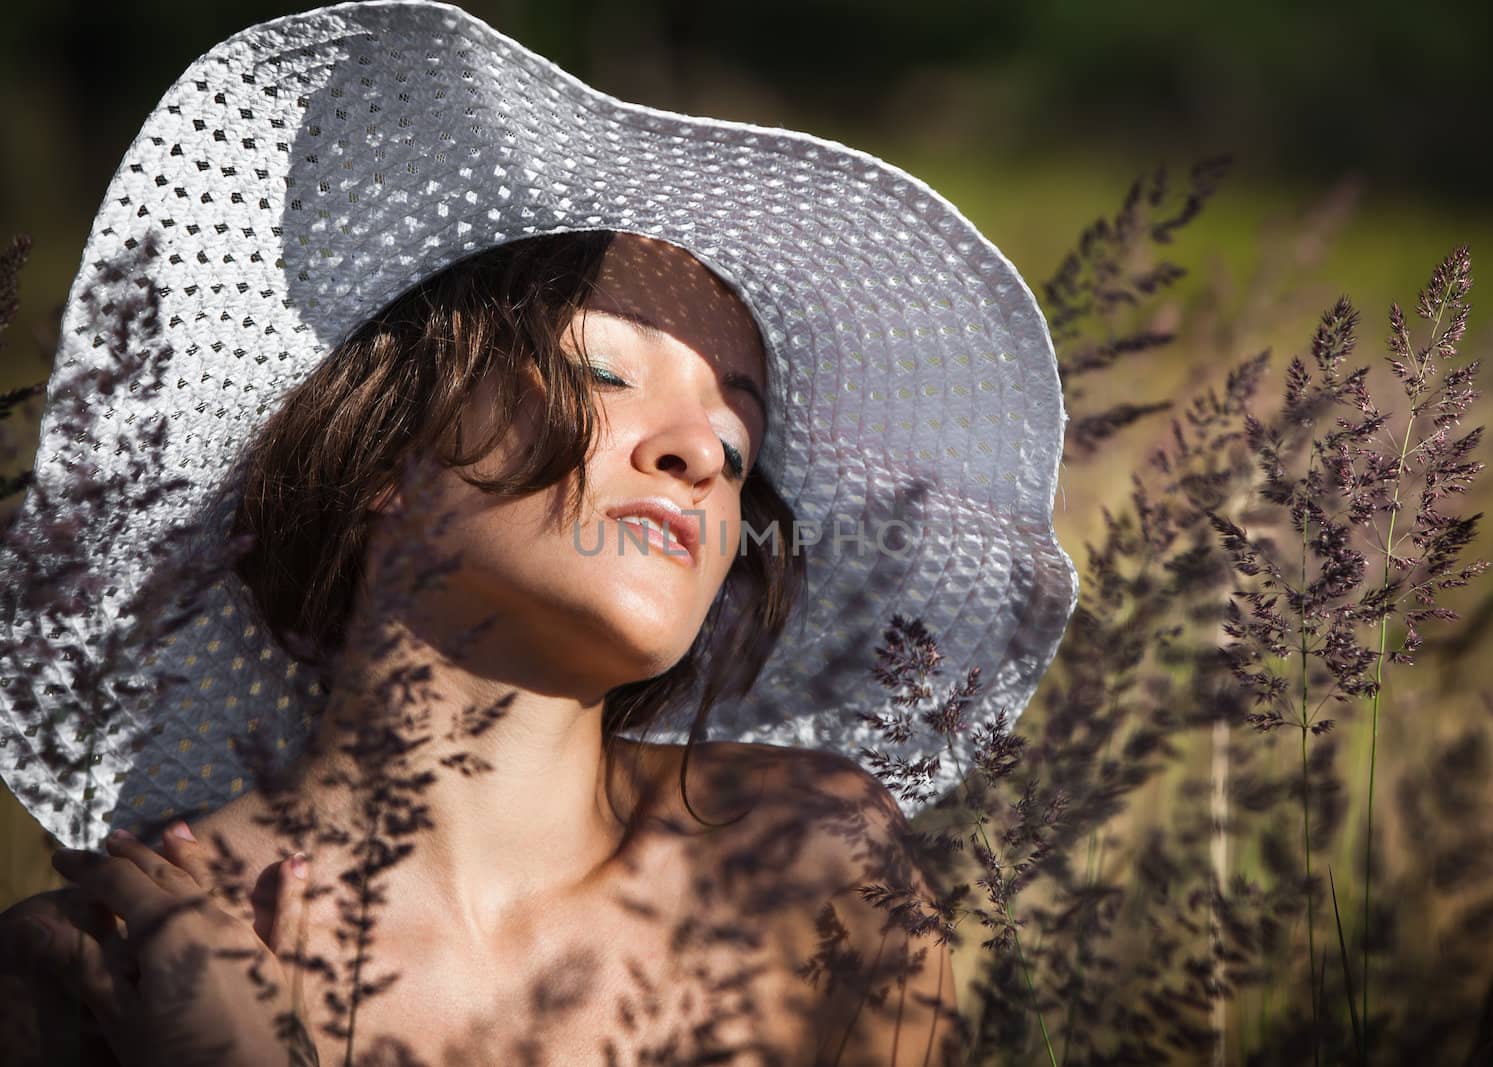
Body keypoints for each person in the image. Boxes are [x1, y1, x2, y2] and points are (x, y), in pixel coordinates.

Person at [0, 3, 1078, 1064]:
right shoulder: (93, 966)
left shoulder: (811, 862)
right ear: (381, 452)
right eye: (605, 373)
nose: (701, 451)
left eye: (737, 440)